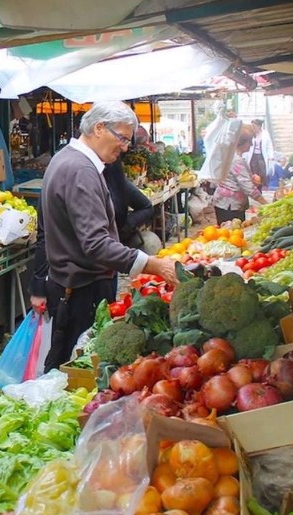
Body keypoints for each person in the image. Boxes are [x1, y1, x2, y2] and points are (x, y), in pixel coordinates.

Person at [38, 102, 178, 373]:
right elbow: (95, 244)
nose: (125, 147)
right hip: (80, 290)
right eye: (122, 138)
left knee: (66, 363)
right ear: (99, 128)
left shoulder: (68, 159)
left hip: (70, 285)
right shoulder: (81, 170)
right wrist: (152, 264)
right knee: (76, 370)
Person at [30, 155, 156, 311]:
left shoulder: (113, 179)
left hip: (106, 275)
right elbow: (45, 235)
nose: (123, 148)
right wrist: (38, 286)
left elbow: (146, 207)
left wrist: (122, 227)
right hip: (74, 282)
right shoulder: (69, 174)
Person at [212, 125, 267, 224]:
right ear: (241, 142)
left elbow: (239, 178)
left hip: (227, 203)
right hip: (230, 205)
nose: (251, 144)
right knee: (231, 233)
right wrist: (265, 203)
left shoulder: (232, 155)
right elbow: (247, 186)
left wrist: (251, 178)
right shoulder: (236, 160)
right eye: (249, 141)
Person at [245, 119, 273, 191]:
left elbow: (269, 146)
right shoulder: (251, 134)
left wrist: (270, 156)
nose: (253, 128)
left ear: (259, 126)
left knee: (262, 172)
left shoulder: (265, 134)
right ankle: (255, 188)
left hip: (261, 156)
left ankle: (261, 187)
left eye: (254, 126)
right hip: (253, 156)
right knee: (253, 172)